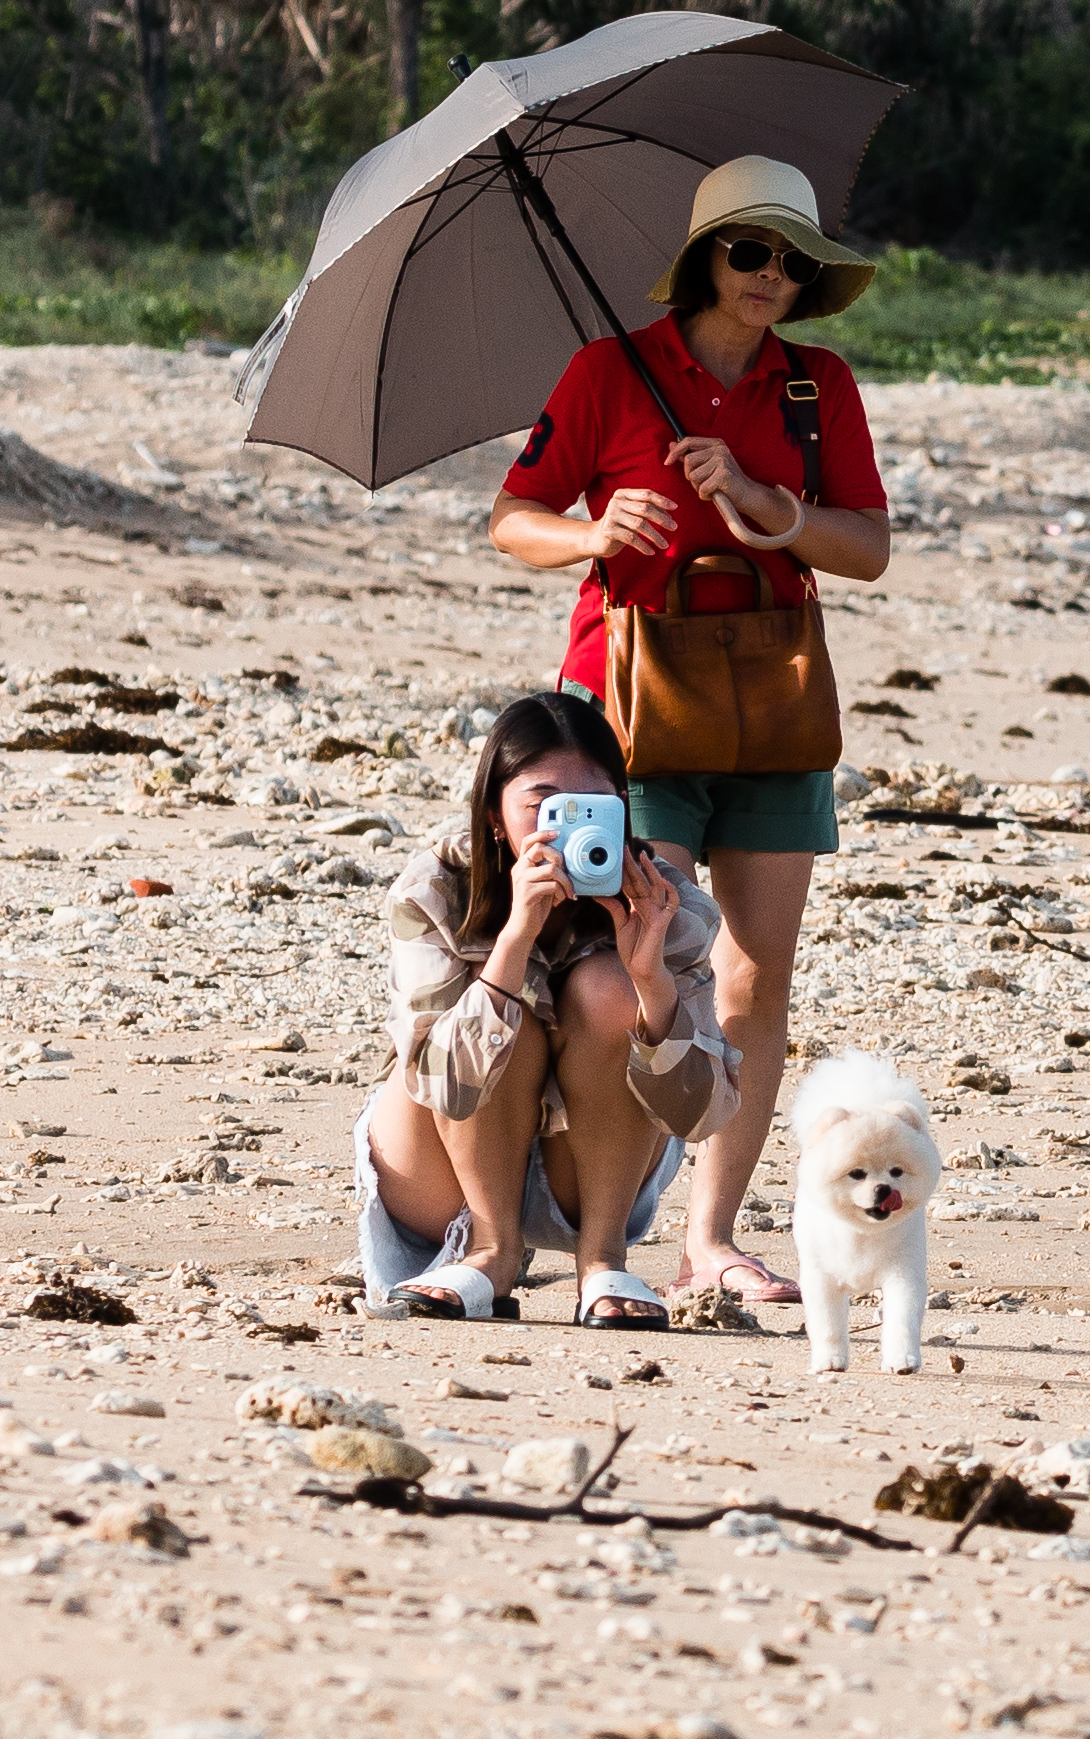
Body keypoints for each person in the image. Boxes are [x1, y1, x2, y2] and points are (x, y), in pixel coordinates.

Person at [483, 152, 894, 1323]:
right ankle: (586, 1230)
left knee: (757, 980)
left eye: (790, 258)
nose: (769, 275)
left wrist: (776, 512)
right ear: (703, 261)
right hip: (627, 713)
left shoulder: (817, 388)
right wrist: (594, 531)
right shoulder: (609, 375)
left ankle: (710, 1241)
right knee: (628, 971)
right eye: (747, 251)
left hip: (774, 707)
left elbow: (867, 546)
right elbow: (512, 520)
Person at [362, 687, 727, 1324]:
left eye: (594, 805)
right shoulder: (437, 890)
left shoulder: (670, 905)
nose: (571, 828)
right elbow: (439, 1086)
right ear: (495, 816)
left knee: (609, 988)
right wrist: (512, 943)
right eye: (545, 806)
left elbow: (702, 1115)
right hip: (442, 1164)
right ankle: (491, 1252)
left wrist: (651, 981)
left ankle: (604, 1258)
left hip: (589, 1173)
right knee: (500, 1006)